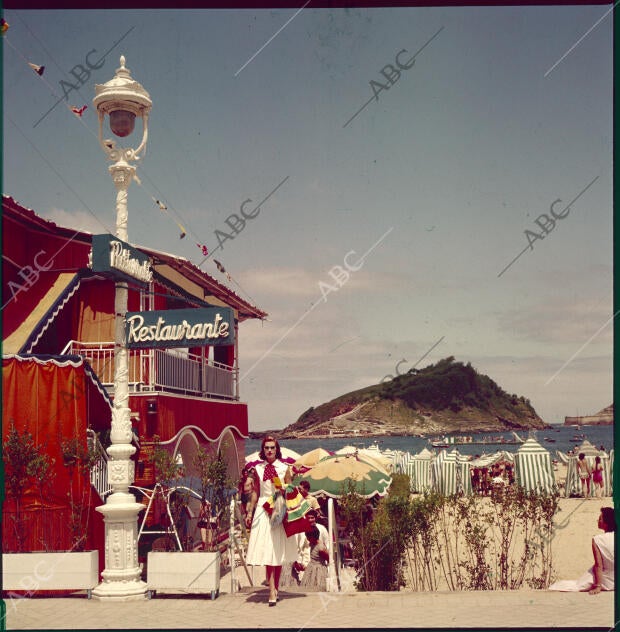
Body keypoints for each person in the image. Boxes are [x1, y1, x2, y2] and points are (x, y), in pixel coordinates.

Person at [245, 435, 296, 605]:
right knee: (268, 550)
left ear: (277, 449)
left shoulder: (284, 468)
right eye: (266, 447)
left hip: (278, 507)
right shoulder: (257, 469)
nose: (269, 450)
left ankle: (275, 588)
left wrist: (284, 488)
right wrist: (250, 512)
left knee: (278, 550)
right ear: (263, 450)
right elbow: (254, 493)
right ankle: (272, 591)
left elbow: (289, 489)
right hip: (263, 508)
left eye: (272, 447)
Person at [549, 507, 615, 593]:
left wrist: (598, 586)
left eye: (600, 519)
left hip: (606, 581)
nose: (598, 521)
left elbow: (599, 565)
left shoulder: (597, 539)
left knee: (576, 585)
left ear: (606, 523)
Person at [299, 526, 329, 591]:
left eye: (308, 537)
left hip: (319, 570)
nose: (307, 539)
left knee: (318, 586)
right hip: (311, 568)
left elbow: (328, 558)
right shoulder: (313, 543)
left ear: (314, 536)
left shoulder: (321, 548)